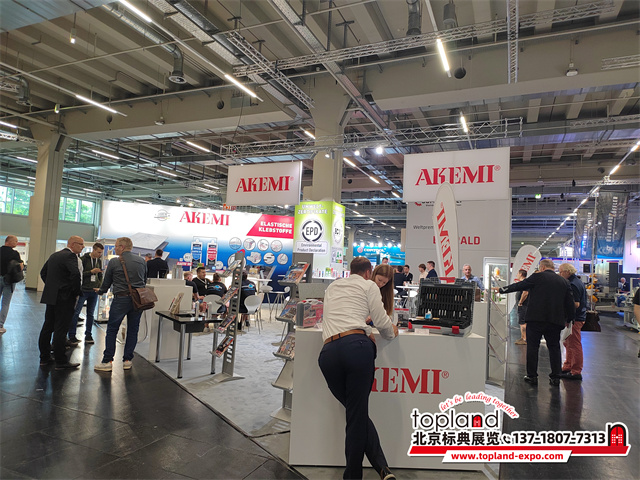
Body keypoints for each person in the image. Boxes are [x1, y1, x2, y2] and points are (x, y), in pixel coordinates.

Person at [318, 257, 398, 480]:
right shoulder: (368, 286)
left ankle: (382, 469)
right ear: (368, 273)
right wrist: (391, 332)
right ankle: (358, 475)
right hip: (357, 349)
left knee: (356, 414)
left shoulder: (332, 286)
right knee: (357, 415)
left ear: (349, 270)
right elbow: (382, 322)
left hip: (328, 353)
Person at [499, 259, 575, 386]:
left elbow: (519, 285)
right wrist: (570, 319)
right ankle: (555, 377)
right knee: (554, 348)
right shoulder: (564, 281)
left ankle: (532, 376)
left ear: (543, 267)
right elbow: (569, 302)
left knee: (533, 348)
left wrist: (502, 289)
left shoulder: (537, 277)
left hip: (535, 319)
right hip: (555, 321)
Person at [94, 237, 147, 372]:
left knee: (112, 329)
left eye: (116, 246)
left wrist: (100, 291)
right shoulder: (141, 261)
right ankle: (127, 360)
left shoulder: (114, 261)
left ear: (122, 247)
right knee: (133, 329)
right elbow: (144, 280)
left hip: (121, 299)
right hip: (137, 300)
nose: (115, 248)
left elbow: (107, 281)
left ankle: (107, 361)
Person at [38, 236, 84, 370]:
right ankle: (61, 361)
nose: (82, 247)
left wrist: (52, 287)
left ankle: (44, 357)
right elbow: (75, 275)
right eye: (80, 244)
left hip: (51, 296)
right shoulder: (71, 256)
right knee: (61, 329)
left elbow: (43, 272)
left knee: (47, 327)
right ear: (73, 244)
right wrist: (75, 292)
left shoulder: (54, 255)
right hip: (65, 298)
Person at [68, 242, 104, 345]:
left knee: (90, 314)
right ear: (93, 250)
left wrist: (99, 286)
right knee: (76, 313)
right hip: (83, 290)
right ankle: (72, 335)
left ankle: (88, 334)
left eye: (101, 253)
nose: (100, 254)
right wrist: (91, 272)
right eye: (98, 252)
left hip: (94, 291)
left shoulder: (99, 261)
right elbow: (79, 274)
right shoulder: (83, 259)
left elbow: (100, 275)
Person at [559, 263, 587, 380]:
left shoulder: (573, 284)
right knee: (568, 343)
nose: (559, 274)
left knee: (574, 344)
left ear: (567, 272)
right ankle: (568, 366)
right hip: (575, 318)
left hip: (575, 318)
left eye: (561, 272)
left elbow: (576, 304)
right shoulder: (576, 282)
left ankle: (576, 370)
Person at [0, 235, 24, 334]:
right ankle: (0, 325)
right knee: (5, 303)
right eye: (15, 241)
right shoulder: (14, 254)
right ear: (9, 241)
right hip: (8, 280)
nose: (16, 243)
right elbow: (20, 267)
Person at [514, 269, 529, 345]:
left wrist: (520, 302)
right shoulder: (523, 283)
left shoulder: (525, 283)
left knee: (523, 322)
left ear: (520, 274)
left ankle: (525, 339)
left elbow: (525, 293)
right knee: (521, 322)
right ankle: (522, 337)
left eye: (517, 273)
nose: (516, 275)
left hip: (523, 305)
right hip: (522, 305)